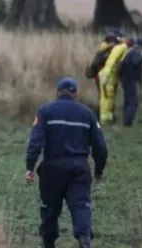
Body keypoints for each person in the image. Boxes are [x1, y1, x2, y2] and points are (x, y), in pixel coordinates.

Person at [25, 77, 109, 248]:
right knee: (81, 206)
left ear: (57, 93)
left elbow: (35, 142)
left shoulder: (46, 111)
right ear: (75, 94)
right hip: (79, 169)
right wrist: (98, 170)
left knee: (49, 209)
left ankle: (48, 242)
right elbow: (101, 146)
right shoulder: (87, 114)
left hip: (52, 168)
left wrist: (30, 167)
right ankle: (84, 237)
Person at [97, 29, 131, 124]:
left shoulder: (114, 47)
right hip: (105, 76)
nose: (122, 39)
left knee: (108, 97)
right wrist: (105, 76)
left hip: (108, 76)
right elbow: (110, 63)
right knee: (105, 97)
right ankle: (104, 118)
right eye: (121, 37)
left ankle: (108, 117)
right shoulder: (110, 47)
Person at [118, 37, 142, 127]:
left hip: (126, 80)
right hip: (132, 81)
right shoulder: (136, 53)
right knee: (133, 102)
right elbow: (136, 62)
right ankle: (129, 122)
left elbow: (122, 66)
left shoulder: (129, 52)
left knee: (127, 101)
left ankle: (126, 121)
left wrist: (122, 78)